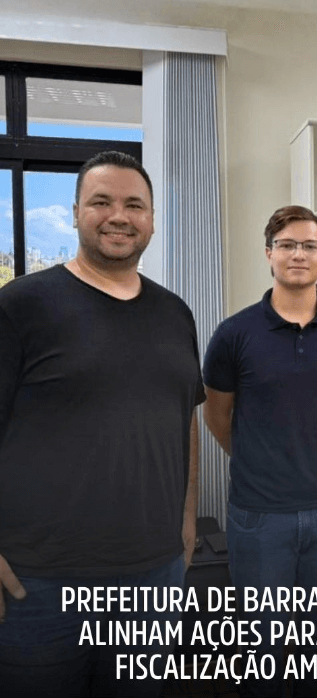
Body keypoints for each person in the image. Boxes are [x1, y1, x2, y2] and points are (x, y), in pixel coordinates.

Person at [0, 151, 204, 698]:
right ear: (75, 213)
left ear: (152, 220)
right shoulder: (20, 306)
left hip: (153, 576)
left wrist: (186, 521)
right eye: (101, 202)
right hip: (38, 583)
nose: (119, 216)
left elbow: (184, 418)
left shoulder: (176, 314)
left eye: (134, 205)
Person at [203, 205, 317, 698]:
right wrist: (261, 458)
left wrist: (312, 450)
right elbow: (218, 418)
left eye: (310, 245)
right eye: (287, 245)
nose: (299, 254)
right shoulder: (234, 334)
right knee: (263, 655)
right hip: (259, 517)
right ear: (269, 253)